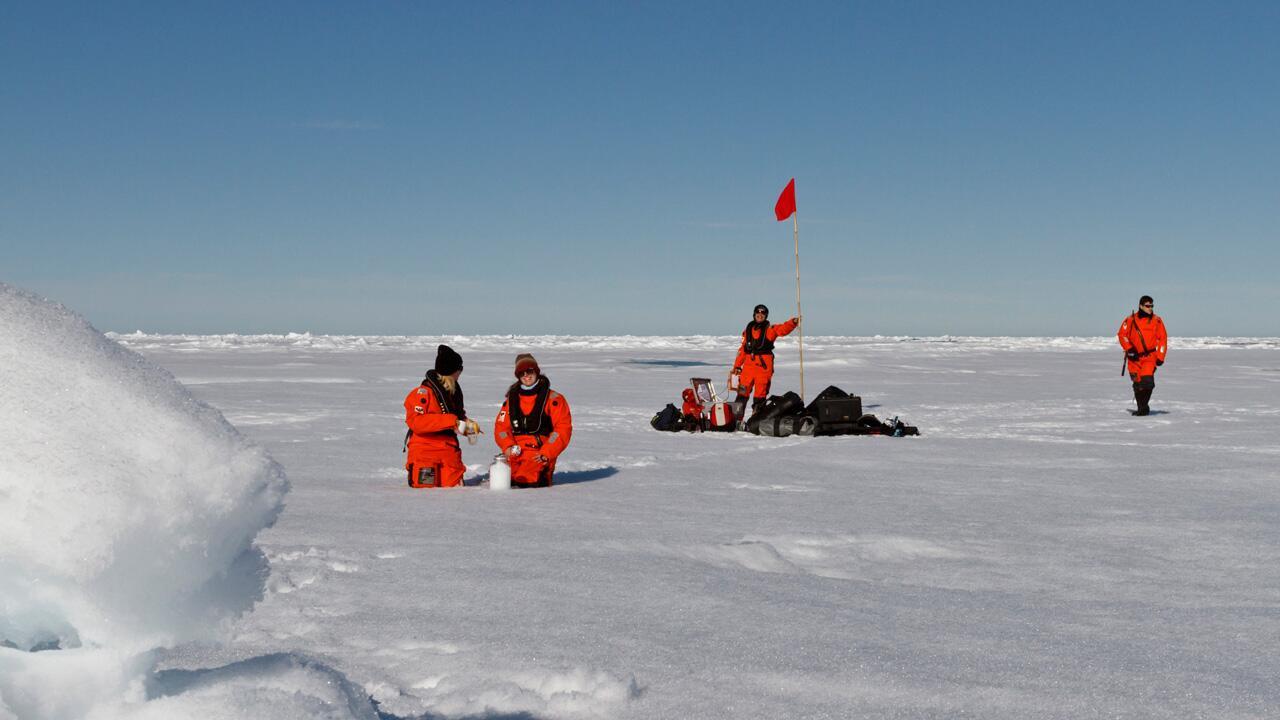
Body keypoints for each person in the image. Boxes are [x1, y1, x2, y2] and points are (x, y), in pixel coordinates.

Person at [403, 344, 480, 487]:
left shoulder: (453, 392)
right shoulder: (422, 394)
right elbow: (416, 422)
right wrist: (451, 421)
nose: (461, 372)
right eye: (460, 369)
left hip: (448, 451)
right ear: (452, 371)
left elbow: (458, 418)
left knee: (455, 491)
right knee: (426, 494)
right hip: (425, 451)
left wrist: (469, 427)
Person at [494, 354, 573, 487]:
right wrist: (507, 446)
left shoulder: (554, 399)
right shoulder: (510, 401)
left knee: (526, 480)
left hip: (539, 454)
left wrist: (546, 453)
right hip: (515, 452)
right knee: (501, 478)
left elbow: (563, 428)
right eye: (521, 373)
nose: (526, 376)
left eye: (529, 371)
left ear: (536, 371)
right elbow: (501, 428)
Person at [731, 304, 800, 418]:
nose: (760, 316)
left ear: (766, 316)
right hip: (748, 368)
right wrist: (737, 366)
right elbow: (742, 350)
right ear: (754, 314)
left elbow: (782, 329)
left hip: (763, 369)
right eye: (758, 314)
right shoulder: (747, 330)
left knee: (760, 397)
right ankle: (736, 420)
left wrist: (793, 322)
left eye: (763, 314)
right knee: (741, 395)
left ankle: (755, 422)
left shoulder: (770, 329)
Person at [1117, 295, 1168, 416]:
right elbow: (1122, 335)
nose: (1150, 308)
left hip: (1149, 357)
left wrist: (1161, 356)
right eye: (1147, 306)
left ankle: (1143, 407)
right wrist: (1129, 348)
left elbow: (1163, 339)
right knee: (1138, 385)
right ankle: (1142, 409)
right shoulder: (1130, 320)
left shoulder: (1157, 321)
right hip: (1134, 359)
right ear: (1140, 306)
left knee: (1148, 382)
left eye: (1152, 306)